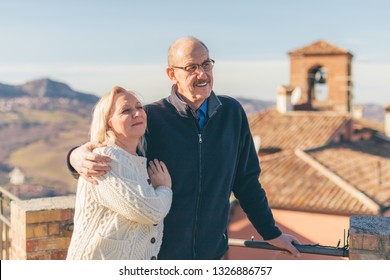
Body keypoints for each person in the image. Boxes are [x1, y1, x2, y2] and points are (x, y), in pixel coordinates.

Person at [67, 37, 301, 259]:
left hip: (212, 255)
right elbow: (112, 149)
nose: (202, 74)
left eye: (206, 64)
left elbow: (246, 181)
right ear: (172, 74)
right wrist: (74, 156)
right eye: (191, 67)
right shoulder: (151, 117)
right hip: (160, 257)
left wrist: (271, 233)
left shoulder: (232, 113)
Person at [66, 86, 172, 260]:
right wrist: (163, 188)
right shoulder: (105, 159)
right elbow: (150, 211)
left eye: (139, 107)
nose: (137, 113)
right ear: (108, 122)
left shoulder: (134, 159)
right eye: (126, 110)